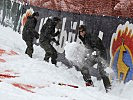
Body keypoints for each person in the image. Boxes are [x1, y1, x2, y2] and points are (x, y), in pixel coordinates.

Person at [78, 25, 111, 92]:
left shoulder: (91, 37)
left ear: (85, 31)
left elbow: (97, 47)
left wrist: (95, 52)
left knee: (102, 72)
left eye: (82, 31)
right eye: (79, 31)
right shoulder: (83, 38)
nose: (81, 33)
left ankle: (108, 89)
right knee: (84, 67)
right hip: (93, 55)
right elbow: (89, 48)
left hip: (101, 55)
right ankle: (89, 84)